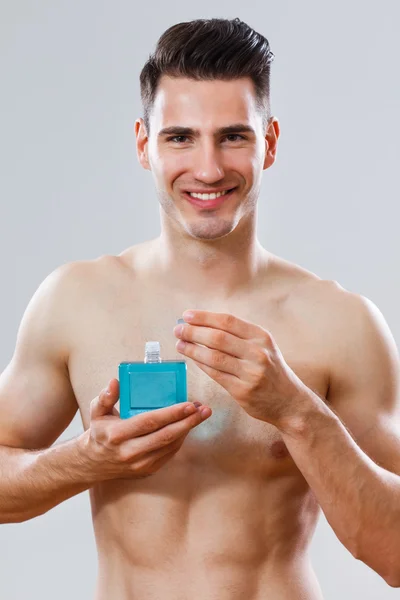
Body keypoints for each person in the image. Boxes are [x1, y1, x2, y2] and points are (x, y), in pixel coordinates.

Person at [0, 17, 399, 599]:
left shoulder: (340, 322)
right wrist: (84, 461)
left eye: (234, 136)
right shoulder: (75, 301)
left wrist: (297, 412)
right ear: (144, 144)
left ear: (271, 143)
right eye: (180, 137)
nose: (208, 168)